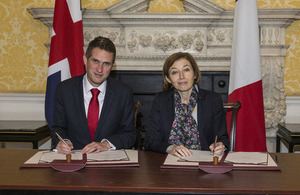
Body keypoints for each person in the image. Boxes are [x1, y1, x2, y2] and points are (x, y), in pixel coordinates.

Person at [51, 36, 136, 154]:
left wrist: (106, 144)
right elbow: (57, 128)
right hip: (74, 157)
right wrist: (63, 142)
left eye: (106, 64)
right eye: (95, 61)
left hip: (108, 162)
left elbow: (130, 134)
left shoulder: (123, 92)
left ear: (112, 65)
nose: (99, 69)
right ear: (85, 59)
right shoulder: (65, 90)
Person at [144, 52, 229, 157]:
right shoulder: (161, 101)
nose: (181, 76)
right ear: (168, 78)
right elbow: (150, 141)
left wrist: (221, 145)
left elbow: (222, 138)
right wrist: (171, 148)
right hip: (169, 162)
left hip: (203, 162)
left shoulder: (212, 100)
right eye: (175, 72)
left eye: (186, 70)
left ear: (195, 74)